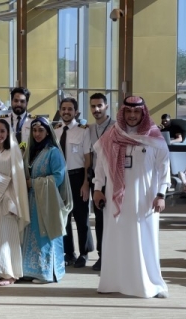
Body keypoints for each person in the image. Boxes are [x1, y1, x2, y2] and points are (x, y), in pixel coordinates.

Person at [92, 96, 170, 299]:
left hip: (145, 199)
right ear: (123, 113)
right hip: (115, 198)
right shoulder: (112, 135)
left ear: (143, 113)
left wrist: (161, 194)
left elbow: (164, 169)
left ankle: (150, 283)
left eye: (136, 112)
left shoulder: (154, 137)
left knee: (145, 240)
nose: (132, 116)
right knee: (116, 239)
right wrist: (97, 188)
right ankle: (115, 282)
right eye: (128, 112)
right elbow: (100, 166)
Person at [22, 117, 72, 283]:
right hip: (33, 201)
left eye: (40, 130)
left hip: (48, 201)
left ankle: (47, 273)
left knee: (46, 234)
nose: (37, 134)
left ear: (48, 132)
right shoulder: (32, 151)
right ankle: (32, 270)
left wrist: (34, 183)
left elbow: (58, 177)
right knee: (33, 235)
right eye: (34, 131)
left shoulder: (53, 152)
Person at [0, 119, 30, 286]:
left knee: (8, 236)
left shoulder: (13, 152)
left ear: (8, 133)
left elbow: (17, 180)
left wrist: (15, 203)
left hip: (7, 199)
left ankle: (11, 273)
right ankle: (0, 270)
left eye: (2, 131)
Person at [54, 98, 94, 268]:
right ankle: (69, 253)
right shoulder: (55, 131)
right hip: (60, 178)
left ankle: (84, 253)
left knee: (81, 217)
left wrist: (86, 183)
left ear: (76, 112)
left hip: (78, 177)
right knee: (64, 218)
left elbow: (88, 159)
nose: (66, 112)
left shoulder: (83, 131)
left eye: (70, 109)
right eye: (63, 109)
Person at [88, 93, 116, 271]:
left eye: (100, 105)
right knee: (99, 219)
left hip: (114, 178)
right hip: (96, 179)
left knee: (114, 217)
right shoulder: (89, 129)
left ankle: (115, 255)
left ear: (106, 106)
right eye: (93, 106)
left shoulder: (116, 127)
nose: (96, 109)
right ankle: (102, 256)